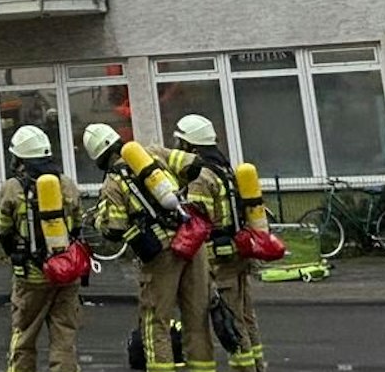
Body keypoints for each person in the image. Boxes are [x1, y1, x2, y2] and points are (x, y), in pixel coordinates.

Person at [84, 122, 212, 372]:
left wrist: (99, 219)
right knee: (196, 318)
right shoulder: (153, 153)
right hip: (191, 242)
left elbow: (115, 228)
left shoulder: (112, 183)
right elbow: (194, 165)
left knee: (156, 323)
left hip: (160, 255)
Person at [170, 114, 263, 372]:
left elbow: (197, 219)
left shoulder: (201, 176)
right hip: (238, 250)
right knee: (245, 315)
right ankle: (256, 365)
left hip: (218, 258)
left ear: (191, 146)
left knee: (231, 319)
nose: (178, 148)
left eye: (181, 143)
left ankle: (244, 368)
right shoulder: (225, 168)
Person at [0, 124, 83, 372]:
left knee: (23, 337)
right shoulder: (67, 184)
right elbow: (77, 227)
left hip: (31, 278)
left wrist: (17, 254)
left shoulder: (12, 188)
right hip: (66, 274)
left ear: (20, 158)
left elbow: (3, 230)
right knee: (64, 338)